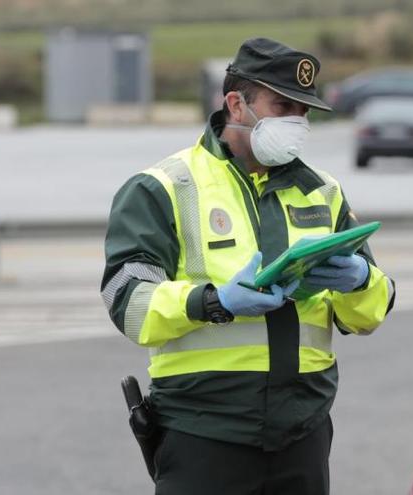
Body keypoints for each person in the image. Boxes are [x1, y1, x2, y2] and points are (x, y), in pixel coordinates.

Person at [100, 37, 395, 495]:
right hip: (203, 433)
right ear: (236, 104)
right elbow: (129, 302)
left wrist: (360, 282)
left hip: (303, 434)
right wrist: (213, 301)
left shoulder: (323, 191)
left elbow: (367, 315)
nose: (297, 123)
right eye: (283, 107)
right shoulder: (162, 187)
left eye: (304, 112)